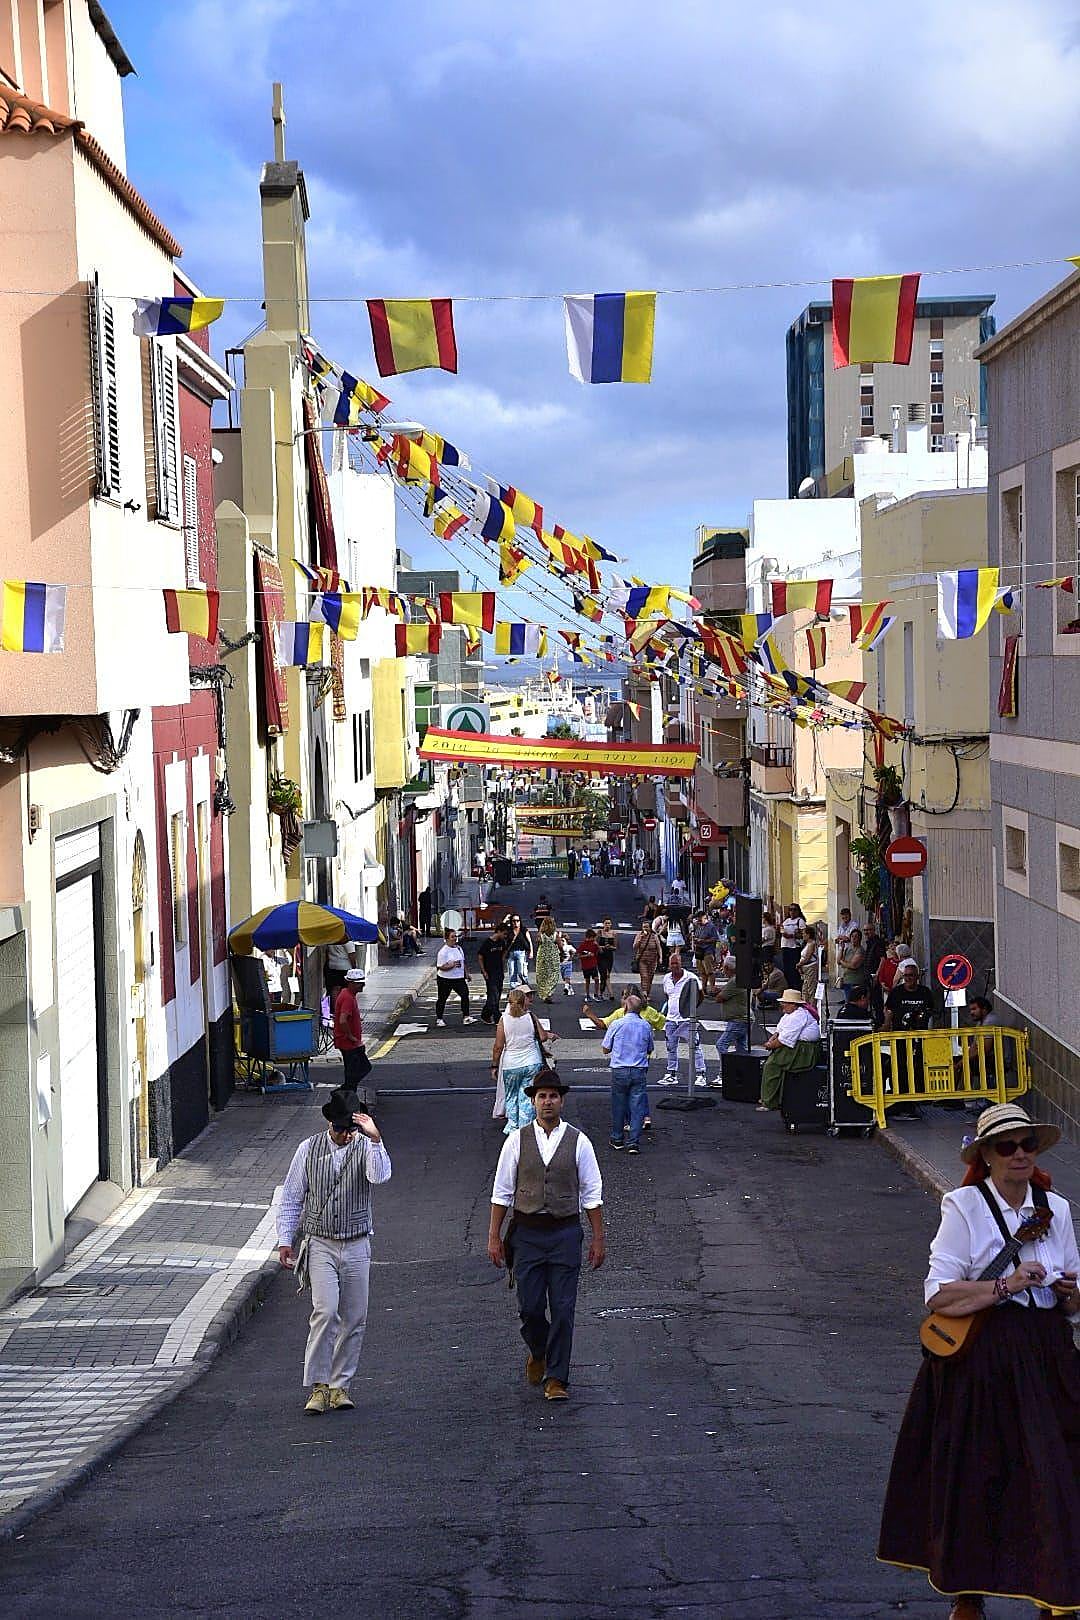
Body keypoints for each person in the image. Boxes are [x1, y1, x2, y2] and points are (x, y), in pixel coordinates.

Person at [877, 1104, 1080, 1620]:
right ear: (986, 1156)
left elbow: (1074, 1288)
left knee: (1055, 1472)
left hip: (1047, 1352)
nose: (1019, 1155)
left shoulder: (1055, 1208)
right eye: (1006, 1146)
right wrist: (1007, 1284)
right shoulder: (964, 1206)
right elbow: (939, 1295)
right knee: (977, 1473)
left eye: (1027, 1145)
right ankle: (968, 1594)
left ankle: (1055, 1594)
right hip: (983, 1357)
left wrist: (1070, 1293)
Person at [487, 1075, 605, 1401]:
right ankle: (538, 1350)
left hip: (566, 1233)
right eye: (542, 1096)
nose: (548, 1101)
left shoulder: (579, 1141)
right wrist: (494, 1238)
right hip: (527, 1235)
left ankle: (557, 1378)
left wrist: (598, 1239)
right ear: (533, 1101)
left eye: (554, 1095)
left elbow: (592, 1195)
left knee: (564, 1309)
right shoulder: (516, 1141)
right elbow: (501, 1193)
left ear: (561, 1101)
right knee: (530, 1307)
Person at [277, 1087, 391, 1414]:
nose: (344, 1135)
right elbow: (291, 1197)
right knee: (325, 1312)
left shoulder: (367, 1146)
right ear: (330, 1125)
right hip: (321, 1243)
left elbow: (379, 1176)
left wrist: (375, 1139)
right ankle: (318, 1386)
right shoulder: (308, 1149)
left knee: (355, 1317)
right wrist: (285, 1239)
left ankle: (341, 1386)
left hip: (357, 1243)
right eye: (340, 1129)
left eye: (350, 1129)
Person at [491, 987, 557, 1134]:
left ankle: (513, 1127)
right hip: (531, 1061)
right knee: (526, 1096)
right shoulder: (530, 1017)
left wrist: (494, 1066)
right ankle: (525, 1128)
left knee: (511, 1096)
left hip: (511, 1064)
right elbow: (543, 1036)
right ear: (523, 1002)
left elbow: (498, 1046)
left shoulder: (504, 1020)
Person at [602, 992, 654, 1154]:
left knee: (619, 1104)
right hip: (639, 1069)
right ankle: (633, 1142)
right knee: (637, 1106)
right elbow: (650, 1048)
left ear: (625, 1007)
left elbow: (605, 1048)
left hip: (620, 1069)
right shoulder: (645, 1026)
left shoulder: (617, 1024)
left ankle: (617, 1138)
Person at [883, 959, 934, 1118]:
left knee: (918, 1066)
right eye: (906, 976)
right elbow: (889, 1011)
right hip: (900, 1037)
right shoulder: (897, 992)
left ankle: (916, 1097)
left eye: (911, 976)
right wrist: (886, 1026)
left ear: (917, 976)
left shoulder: (925, 992)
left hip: (919, 1039)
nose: (909, 979)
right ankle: (901, 1097)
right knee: (899, 1066)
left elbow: (930, 1011)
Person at [758, 988, 821, 1112]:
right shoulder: (790, 1014)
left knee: (772, 1065)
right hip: (797, 1046)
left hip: (803, 1051)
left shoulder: (799, 1016)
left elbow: (784, 1040)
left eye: (785, 1002)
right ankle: (771, 1097)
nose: (782, 1005)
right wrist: (772, 1039)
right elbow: (779, 1030)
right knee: (772, 1062)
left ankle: (769, 1101)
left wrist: (770, 1045)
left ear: (793, 1004)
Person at [660, 951, 707, 1088]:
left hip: (686, 1019)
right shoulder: (666, 978)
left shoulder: (691, 978)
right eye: (672, 963)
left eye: (677, 963)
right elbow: (667, 997)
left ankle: (701, 1074)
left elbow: (700, 995)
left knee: (695, 1046)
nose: (674, 966)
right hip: (671, 1019)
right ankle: (671, 1073)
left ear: (681, 964)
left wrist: (691, 1010)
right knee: (671, 1047)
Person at [711, 954, 749, 1076]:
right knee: (742, 1048)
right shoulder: (738, 979)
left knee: (721, 1044)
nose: (722, 970)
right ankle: (742, 1073)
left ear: (728, 968)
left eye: (723, 967)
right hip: (744, 1018)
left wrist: (718, 993)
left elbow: (719, 998)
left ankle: (725, 1073)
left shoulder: (734, 981)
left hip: (738, 1019)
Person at [333, 967, 369, 1088]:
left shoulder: (346, 994)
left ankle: (347, 1095)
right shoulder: (348, 998)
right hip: (348, 1042)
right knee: (361, 1069)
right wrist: (351, 1037)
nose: (362, 986)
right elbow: (343, 1020)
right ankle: (344, 1094)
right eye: (359, 983)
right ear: (351, 983)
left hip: (348, 1041)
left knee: (353, 1072)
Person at [435, 928, 475, 1027]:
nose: (454, 939)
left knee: (465, 995)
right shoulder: (443, 952)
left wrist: (467, 973)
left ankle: (466, 1017)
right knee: (442, 998)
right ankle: (439, 1018)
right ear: (447, 938)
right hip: (445, 979)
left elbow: (463, 962)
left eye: (455, 936)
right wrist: (451, 965)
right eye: (452, 937)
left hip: (459, 978)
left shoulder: (458, 948)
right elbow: (440, 967)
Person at [477, 922, 508, 1024]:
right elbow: (480, 956)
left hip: (499, 971)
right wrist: (484, 971)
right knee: (493, 994)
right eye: (504, 933)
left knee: (496, 995)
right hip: (489, 972)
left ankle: (485, 1014)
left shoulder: (502, 942)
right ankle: (497, 1017)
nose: (505, 936)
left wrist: (503, 965)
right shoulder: (487, 943)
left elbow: (504, 953)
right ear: (498, 931)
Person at [632, 918, 662, 1000]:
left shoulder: (654, 936)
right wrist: (640, 939)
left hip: (653, 959)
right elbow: (634, 947)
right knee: (644, 976)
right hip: (642, 959)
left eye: (646, 927)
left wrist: (660, 958)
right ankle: (644, 993)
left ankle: (647, 993)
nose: (645, 929)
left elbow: (659, 947)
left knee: (650, 976)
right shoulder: (639, 935)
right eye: (643, 927)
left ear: (650, 928)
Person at [534, 916, 562, 1003]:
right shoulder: (555, 934)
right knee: (553, 975)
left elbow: (537, 943)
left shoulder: (540, 934)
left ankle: (544, 994)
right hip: (553, 957)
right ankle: (549, 993)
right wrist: (562, 953)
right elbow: (560, 945)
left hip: (542, 956)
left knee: (542, 975)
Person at [692, 911, 721, 995]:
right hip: (699, 951)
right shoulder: (699, 926)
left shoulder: (711, 927)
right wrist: (695, 939)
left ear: (705, 918)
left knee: (710, 971)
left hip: (708, 951)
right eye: (698, 920)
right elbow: (696, 936)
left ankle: (712, 988)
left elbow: (715, 939)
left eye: (700, 920)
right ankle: (703, 988)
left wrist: (703, 941)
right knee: (702, 972)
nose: (699, 922)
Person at [837, 927, 867, 1002]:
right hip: (847, 980)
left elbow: (853, 965)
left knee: (854, 1002)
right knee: (848, 1002)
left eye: (856, 937)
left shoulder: (860, 950)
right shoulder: (848, 949)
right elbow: (838, 961)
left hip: (855, 981)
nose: (854, 938)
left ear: (860, 939)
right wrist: (841, 948)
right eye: (852, 936)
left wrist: (843, 962)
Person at [779, 904, 804, 988]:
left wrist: (792, 935)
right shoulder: (786, 921)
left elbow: (803, 935)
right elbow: (781, 930)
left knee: (794, 968)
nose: (792, 912)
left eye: (794, 910)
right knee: (786, 968)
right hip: (785, 946)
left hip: (794, 947)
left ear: (798, 911)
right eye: (790, 909)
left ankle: (796, 986)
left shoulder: (800, 921)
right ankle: (788, 985)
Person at [505, 915, 533, 989]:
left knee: (521, 972)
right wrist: (505, 918)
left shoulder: (523, 930)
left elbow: (530, 941)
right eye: (514, 921)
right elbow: (500, 928)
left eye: (517, 921)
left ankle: (525, 984)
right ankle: (513, 989)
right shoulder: (509, 930)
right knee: (512, 972)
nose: (516, 923)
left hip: (521, 953)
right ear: (511, 922)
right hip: (511, 953)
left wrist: (531, 951)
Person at [797, 924, 820, 1003]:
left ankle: (812, 1007)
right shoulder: (807, 944)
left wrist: (799, 964)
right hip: (805, 969)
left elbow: (807, 958)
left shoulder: (812, 944)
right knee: (805, 989)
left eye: (804, 933)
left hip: (810, 968)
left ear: (808, 935)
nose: (803, 935)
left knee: (811, 989)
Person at [576, 928, 601, 1000]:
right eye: (593, 938)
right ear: (589, 937)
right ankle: (587, 995)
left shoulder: (594, 944)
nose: (593, 939)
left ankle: (596, 994)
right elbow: (578, 956)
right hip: (586, 966)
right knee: (587, 980)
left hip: (593, 964)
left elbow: (600, 952)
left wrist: (598, 946)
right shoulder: (583, 945)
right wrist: (587, 955)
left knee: (596, 979)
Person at [596, 918, 618, 998]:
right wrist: (602, 947)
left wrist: (610, 947)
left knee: (607, 975)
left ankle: (604, 992)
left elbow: (615, 947)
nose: (607, 925)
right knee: (604, 974)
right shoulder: (600, 932)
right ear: (603, 924)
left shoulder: (614, 934)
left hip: (609, 956)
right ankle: (603, 992)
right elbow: (595, 944)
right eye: (606, 923)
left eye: (609, 923)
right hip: (601, 956)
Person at [556, 928, 576, 996]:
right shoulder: (557, 948)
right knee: (565, 978)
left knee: (567, 976)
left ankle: (566, 988)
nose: (562, 942)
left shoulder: (569, 947)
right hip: (561, 964)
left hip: (568, 964)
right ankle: (570, 989)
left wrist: (571, 957)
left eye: (563, 940)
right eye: (561, 941)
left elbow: (574, 951)